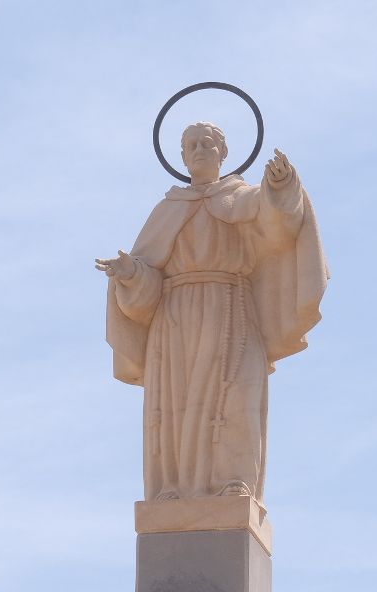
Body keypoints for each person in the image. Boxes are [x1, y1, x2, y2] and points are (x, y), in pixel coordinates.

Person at [97, 121, 328, 504]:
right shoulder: (166, 211)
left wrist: (281, 186)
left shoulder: (242, 198)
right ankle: (172, 486)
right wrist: (130, 273)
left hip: (230, 310)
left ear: (223, 152)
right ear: (183, 157)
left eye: (208, 143)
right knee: (175, 405)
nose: (199, 149)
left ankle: (233, 479)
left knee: (237, 395)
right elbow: (148, 282)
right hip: (176, 321)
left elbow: (278, 227)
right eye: (191, 145)